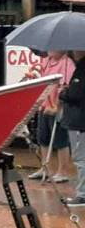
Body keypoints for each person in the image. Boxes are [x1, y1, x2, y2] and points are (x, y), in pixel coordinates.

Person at [27, 50, 75, 182]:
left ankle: (62, 171)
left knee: (61, 140)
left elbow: (65, 87)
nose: (50, 50)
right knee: (43, 138)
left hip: (57, 108)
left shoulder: (67, 63)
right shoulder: (46, 61)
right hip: (44, 106)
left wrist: (57, 107)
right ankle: (45, 168)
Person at [59, 51, 85, 208]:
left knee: (81, 158)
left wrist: (64, 92)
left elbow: (75, 94)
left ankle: (83, 195)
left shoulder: (82, 69)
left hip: (80, 121)